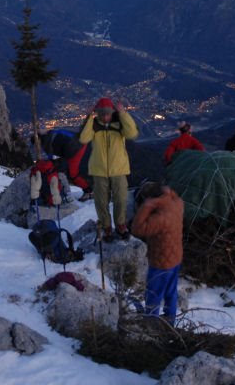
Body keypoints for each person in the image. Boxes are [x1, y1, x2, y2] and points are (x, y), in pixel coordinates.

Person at [79, 97, 138, 242]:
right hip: (99, 171)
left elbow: (132, 134)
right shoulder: (94, 124)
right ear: (97, 113)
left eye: (107, 113)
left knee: (120, 199)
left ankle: (120, 225)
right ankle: (106, 227)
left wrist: (123, 114)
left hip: (118, 169)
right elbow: (84, 139)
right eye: (102, 114)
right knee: (101, 201)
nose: (105, 117)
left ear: (112, 112)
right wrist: (89, 118)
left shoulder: (119, 124)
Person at [131, 182, 184, 326]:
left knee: (153, 295)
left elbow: (137, 229)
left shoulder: (159, 218)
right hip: (175, 258)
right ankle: (170, 322)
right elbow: (177, 198)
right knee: (170, 293)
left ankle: (151, 325)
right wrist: (167, 194)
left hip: (161, 263)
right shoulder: (176, 204)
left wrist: (147, 206)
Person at [40, 129, 92, 197]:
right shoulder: (53, 132)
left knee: (74, 174)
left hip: (76, 150)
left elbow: (52, 159)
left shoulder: (47, 144)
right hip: (83, 143)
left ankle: (89, 191)